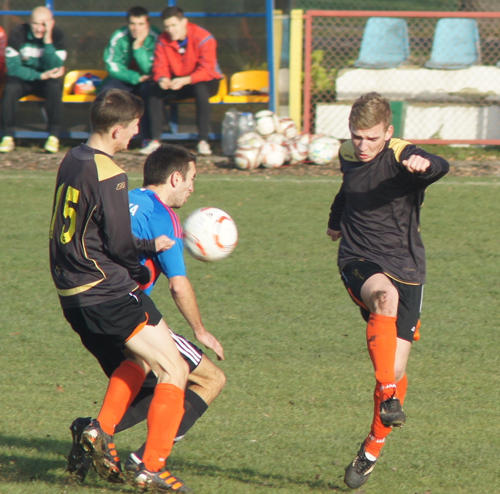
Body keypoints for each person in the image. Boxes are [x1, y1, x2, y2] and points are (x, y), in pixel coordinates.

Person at [49, 88, 191, 492]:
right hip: (106, 289)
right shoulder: (110, 173)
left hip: (72, 292)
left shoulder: (72, 159)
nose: (134, 135)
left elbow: (90, 229)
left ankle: (98, 432)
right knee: (175, 368)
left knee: (140, 361)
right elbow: (119, 243)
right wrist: (146, 260)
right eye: (132, 129)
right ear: (115, 130)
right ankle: (151, 466)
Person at [66, 144, 226, 484]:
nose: (192, 188)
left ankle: (95, 434)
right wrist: (200, 330)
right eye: (192, 180)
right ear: (175, 177)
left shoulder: (124, 198)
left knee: (141, 367)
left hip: (88, 300)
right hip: (125, 304)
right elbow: (178, 286)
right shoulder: (163, 218)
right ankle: (146, 460)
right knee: (207, 378)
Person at [326, 92, 449, 489]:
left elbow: (440, 166)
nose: (362, 146)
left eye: (371, 138)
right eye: (357, 137)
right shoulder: (348, 152)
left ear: (389, 132)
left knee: (394, 370)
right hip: (359, 259)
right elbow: (347, 188)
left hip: (408, 268)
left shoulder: (401, 155)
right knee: (384, 297)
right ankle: (390, 395)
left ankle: (371, 449)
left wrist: (426, 164)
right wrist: (335, 220)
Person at [140, 6, 223, 156]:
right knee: (153, 90)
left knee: (201, 89)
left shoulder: (204, 38)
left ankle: (203, 140)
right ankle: (155, 141)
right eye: (167, 26)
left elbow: (207, 69)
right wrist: (162, 79)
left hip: (206, 80)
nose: (170, 30)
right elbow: (160, 65)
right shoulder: (162, 40)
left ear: (184, 22)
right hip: (179, 81)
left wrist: (186, 80)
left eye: (174, 25)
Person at [0, 6, 66, 154]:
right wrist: (39, 75)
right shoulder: (18, 33)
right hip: (25, 78)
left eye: (44, 24)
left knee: (54, 87)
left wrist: (48, 40)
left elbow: (55, 66)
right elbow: (13, 68)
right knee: (11, 87)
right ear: (30, 22)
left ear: (51, 23)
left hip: (47, 81)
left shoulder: (58, 35)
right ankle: (7, 136)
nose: (39, 28)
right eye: (36, 23)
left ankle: (54, 136)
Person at [101, 6, 160, 141]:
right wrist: (135, 77)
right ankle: (107, 136)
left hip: (147, 78)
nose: (136, 28)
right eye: (132, 24)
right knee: (108, 93)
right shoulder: (119, 36)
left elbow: (153, 68)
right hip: (126, 77)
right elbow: (112, 65)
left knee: (150, 93)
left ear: (147, 24)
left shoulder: (156, 37)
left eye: (141, 24)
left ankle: (148, 138)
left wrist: (138, 48)